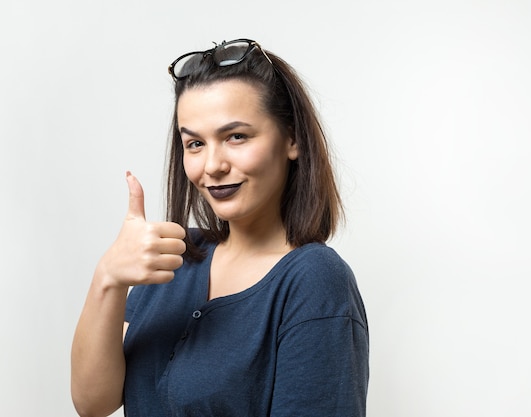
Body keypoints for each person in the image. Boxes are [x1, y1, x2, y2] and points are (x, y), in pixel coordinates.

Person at [71, 38, 369, 417]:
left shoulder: (314, 280)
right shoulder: (175, 257)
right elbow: (93, 403)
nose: (212, 165)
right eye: (194, 143)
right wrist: (108, 277)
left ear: (291, 139)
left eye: (236, 136)